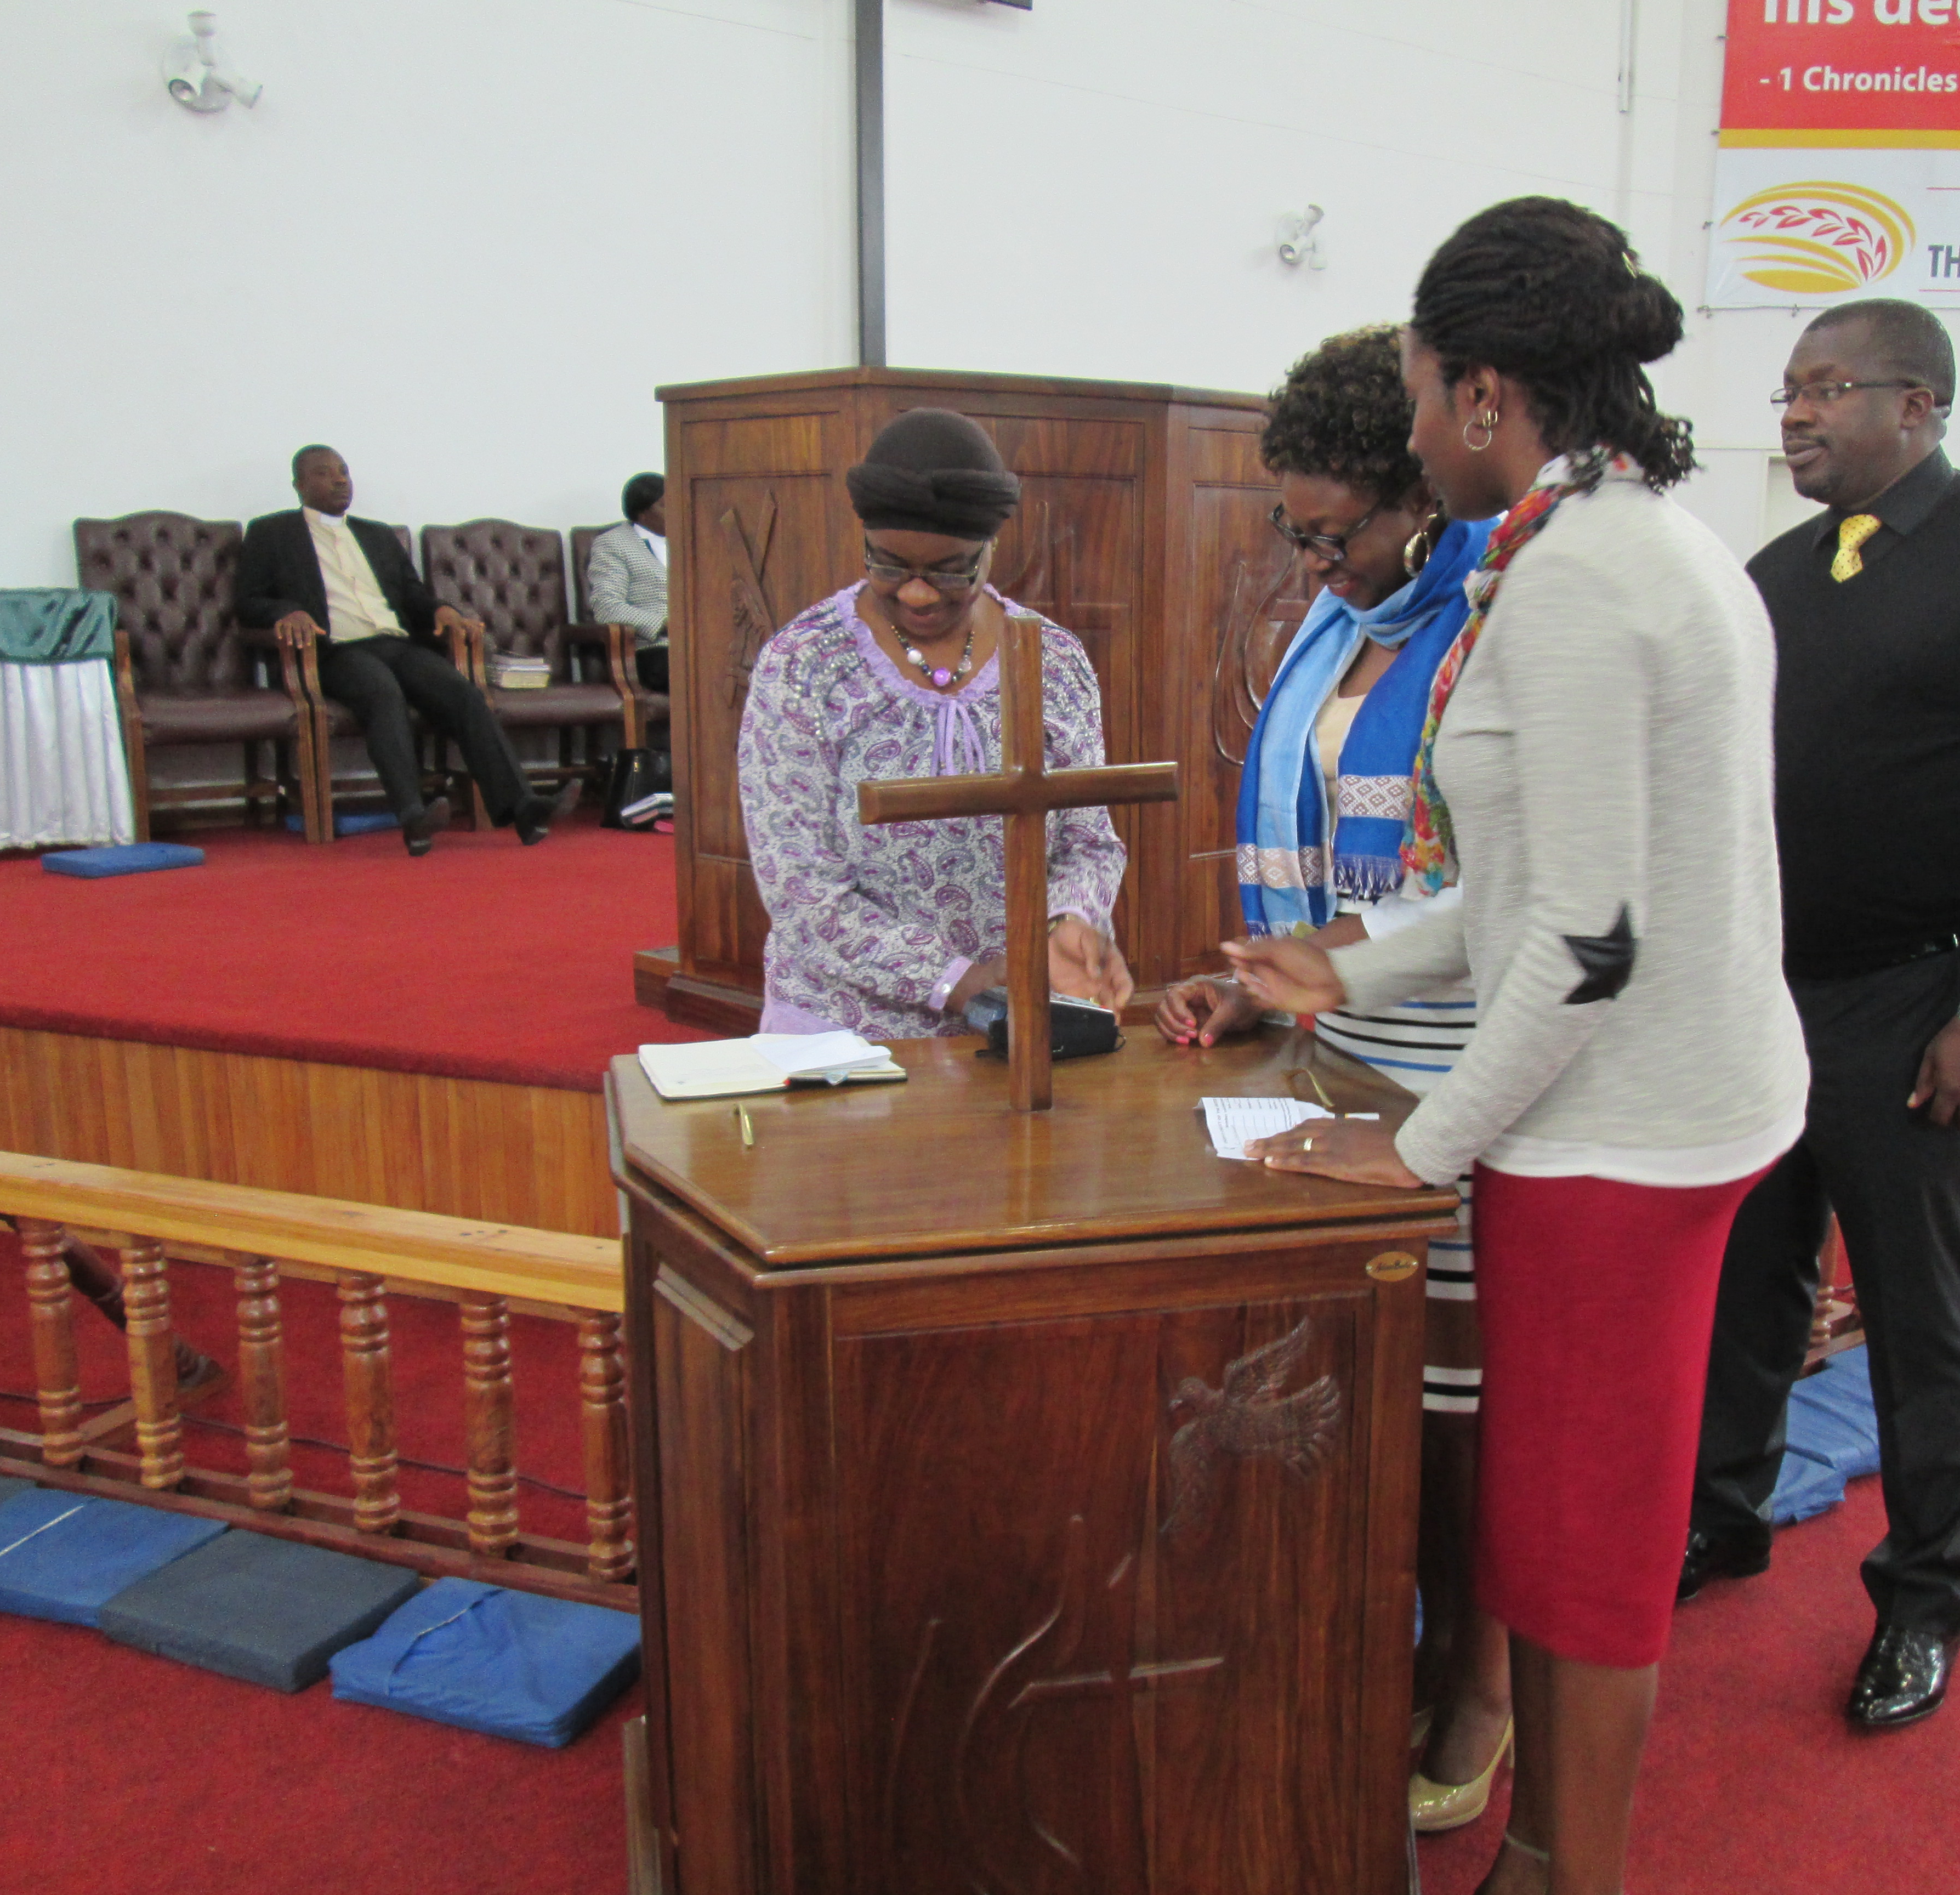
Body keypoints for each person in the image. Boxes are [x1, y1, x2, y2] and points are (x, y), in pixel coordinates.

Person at [1222, 198, 1806, 1895]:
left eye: (1415, 395)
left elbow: (1584, 948)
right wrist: (1338, 970)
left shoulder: (1577, 584)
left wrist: (1414, 1146)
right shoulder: (1643, 542)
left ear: (1486, 396)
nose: (1407, 431)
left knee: (1589, 1542)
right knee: (1557, 1527)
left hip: (1621, 1138)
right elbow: (1527, 892)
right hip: (1658, 1106)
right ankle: (1541, 1848)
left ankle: (1566, 1869)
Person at [1684, 300, 1960, 1732]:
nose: (1796, 414)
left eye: (1829, 389)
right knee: (1748, 1284)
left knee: (1919, 1316)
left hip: (1916, 1002)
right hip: (1763, 999)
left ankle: (1926, 1595)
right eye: (1790, 390)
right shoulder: (1773, 574)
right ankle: (1722, 1518)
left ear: (1918, 405)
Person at [1150, 324, 1510, 1833]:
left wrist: (1339, 977)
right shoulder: (1334, 625)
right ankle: (1372, 1634)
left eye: (1336, 530)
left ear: (1420, 485)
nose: (1314, 565)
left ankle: (1479, 1680)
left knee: (1459, 1406)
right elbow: (1303, 851)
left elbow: (1509, 889)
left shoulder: (1493, 611)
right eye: (1294, 535)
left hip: (1479, 1065)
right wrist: (1254, 983)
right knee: (1354, 1387)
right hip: (1332, 1055)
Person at [737, 408, 1130, 1040]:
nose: (918, 594)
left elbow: (1088, 843)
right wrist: (963, 983)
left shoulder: (1053, 661)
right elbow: (801, 889)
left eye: (952, 570)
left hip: (1016, 1021)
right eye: (888, 565)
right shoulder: (806, 664)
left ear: (992, 548)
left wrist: (1070, 927)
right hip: (844, 1031)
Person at [236, 446, 575, 855]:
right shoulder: (271, 533)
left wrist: (442, 610)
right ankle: (413, 814)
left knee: (463, 694)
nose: (341, 480)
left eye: (344, 471)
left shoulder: (376, 535)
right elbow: (248, 600)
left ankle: (522, 807)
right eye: (325, 474)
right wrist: (288, 611)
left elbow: (412, 595)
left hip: (395, 642)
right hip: (335, 651)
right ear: (300, 485)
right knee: (384, 694)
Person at [587, 473, 670, 693]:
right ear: (642, 513)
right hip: (655, 649)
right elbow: (607, 607)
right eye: (665, 505)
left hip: (704, 644)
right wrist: (664, 624)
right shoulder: (613, 544)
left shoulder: (696, 539)